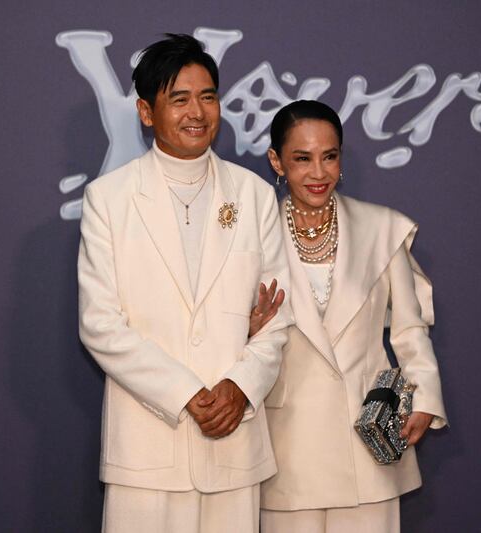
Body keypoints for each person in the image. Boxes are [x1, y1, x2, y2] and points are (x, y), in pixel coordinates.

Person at [77, 34, 292, 533]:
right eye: (179, 99)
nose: (198, 111)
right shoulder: (109, 199)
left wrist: (241, 386)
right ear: (147, 113)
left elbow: (280, 316)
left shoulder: (255, 194)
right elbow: (99, 325)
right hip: (146, 446)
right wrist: (184, 392)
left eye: (208, 96)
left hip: (233, 444)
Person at [256, 100, 448, 532]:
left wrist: (425, 398)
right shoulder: (254, 235)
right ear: (277, 161)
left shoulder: (381, 228)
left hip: (367, 437)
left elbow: (410, 330)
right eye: (302, 159)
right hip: (287, 442)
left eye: (329, 156)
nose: (318, 172)